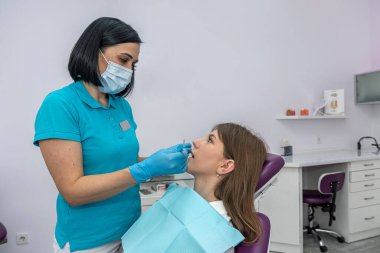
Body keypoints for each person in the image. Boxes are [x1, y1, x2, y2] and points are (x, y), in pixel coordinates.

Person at [33, 17, 191, 253]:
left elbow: (118, 162)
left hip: (130, 233)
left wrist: (157, 162)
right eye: (123, 60)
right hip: (88, 241)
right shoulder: (60, 105)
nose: (128, 70)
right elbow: (73, 191)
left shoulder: (120, 106)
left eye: (133, 64)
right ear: (93, 51)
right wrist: (144, 169)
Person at [187, 123, 267, 252]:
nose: (196, 142)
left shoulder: (216, 229)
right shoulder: (192, 209)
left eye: (210, 140)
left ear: (225, 166)